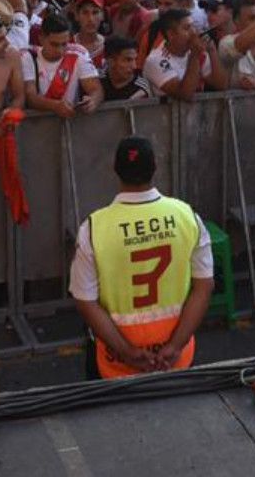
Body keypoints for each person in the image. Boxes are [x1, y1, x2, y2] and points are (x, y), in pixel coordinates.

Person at [68, 136, 214, 378]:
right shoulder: (187, 217)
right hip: (176, 359)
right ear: (154, 167)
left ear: (116, 170)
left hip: (114, 363)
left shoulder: (93, 228)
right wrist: (175, 346)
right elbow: (204, 286)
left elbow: (85, 301)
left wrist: (126, 352)